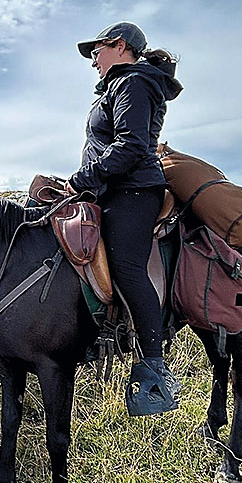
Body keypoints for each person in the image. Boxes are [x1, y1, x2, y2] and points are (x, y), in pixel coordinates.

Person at [65, 21, 183, 416]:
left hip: (133, 191)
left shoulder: (133, 82)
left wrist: (84, 178)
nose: (93, 60)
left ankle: (153, 370)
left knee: (127, 267)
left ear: (119, 46)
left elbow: (130, 146)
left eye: (96, 50)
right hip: (109, 189)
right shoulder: (119, 85)